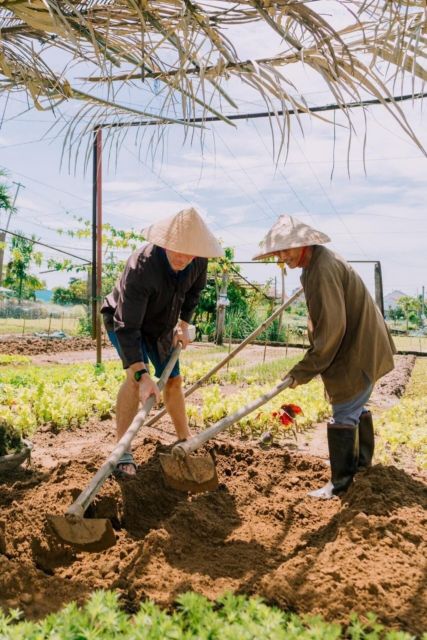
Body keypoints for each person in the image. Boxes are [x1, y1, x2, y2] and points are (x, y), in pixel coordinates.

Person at [253, 215, 396, 499]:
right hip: (361, 344)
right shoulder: (315, 265)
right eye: (278, 252)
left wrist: (303, 370)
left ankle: (340, 484)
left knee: (344, 410)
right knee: (354, 408)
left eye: (287, 249)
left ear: (305, 243)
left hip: (357, 349)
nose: (283, 256)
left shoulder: (322, 268)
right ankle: (362, 468)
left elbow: (332, 329)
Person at [101, 207, 223, 477]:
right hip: (124, 322)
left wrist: (182, 325)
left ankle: (184, 439)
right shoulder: (141, 267)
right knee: (134, 382)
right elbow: (127, 326)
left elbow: (193, 294)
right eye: (176, 249)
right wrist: (142, 375)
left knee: (174, 380)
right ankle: (123, 450)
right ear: (165, 242)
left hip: (162, 327)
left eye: (188, 252)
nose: (181, 257)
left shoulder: (198, 261)